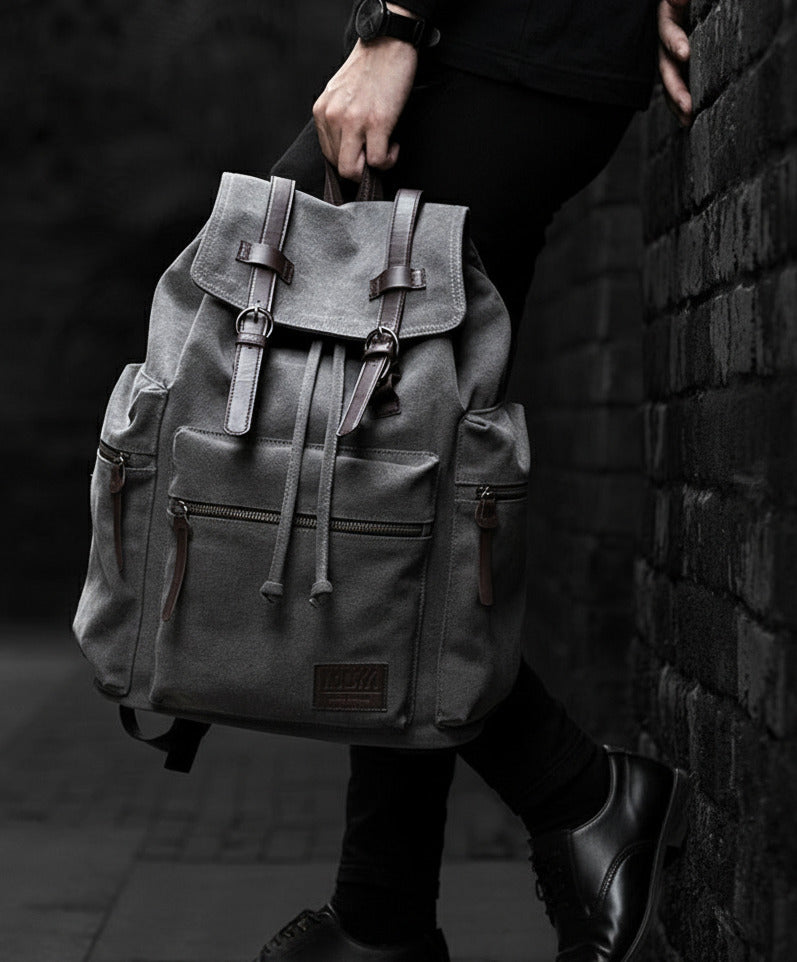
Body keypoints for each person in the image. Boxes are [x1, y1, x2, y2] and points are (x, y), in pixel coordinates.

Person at [252, 2, 694, 959]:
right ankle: (382, 909)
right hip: (524, 60)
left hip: (495, 46)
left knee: (278, 414)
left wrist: (395, 25)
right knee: (403, 467)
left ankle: (577, 795)